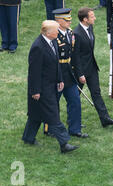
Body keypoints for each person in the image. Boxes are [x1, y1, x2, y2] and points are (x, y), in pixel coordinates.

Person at [22, 20, 79, 153]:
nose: (58, 32)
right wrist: (35, 91)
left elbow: (56, 63)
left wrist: (60, 79)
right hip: (42, 88)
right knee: (53, 115)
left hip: (51, 85)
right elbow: (34, 72)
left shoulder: (52, 41)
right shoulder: (38, 47)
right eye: (56, 30)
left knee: (36, 114)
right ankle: (64, 143)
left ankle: (28, 137)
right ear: (48, 33)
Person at [72, 7, 113, 127]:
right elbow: (75, 56)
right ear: (85, 19)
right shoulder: (76, 33)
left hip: (91, 68)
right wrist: (80, 74)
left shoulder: (90, 27)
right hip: (81, 70)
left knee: (96, 93)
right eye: (92, 16)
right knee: (74, 97)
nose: (95, 18)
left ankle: (105, 119)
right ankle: (73, 121)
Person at [49, 8, 88, 138]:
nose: (70, 22)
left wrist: (79, 73)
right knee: (54, 102)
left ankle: (75, 128)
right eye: (67, 20)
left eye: (70, 19)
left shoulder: (70, 33)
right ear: (59, 21)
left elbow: (75, 55)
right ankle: (50, 128)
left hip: (69, 73)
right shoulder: (53, 35)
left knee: (75, 101)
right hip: (56, 72)